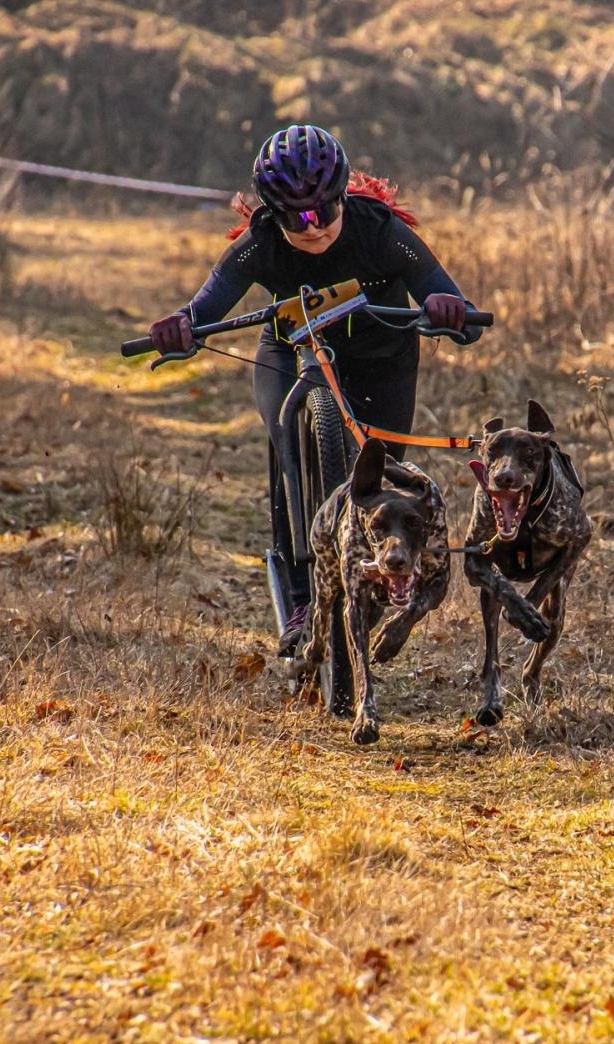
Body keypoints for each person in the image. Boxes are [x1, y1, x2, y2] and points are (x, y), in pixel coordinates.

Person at [147, 123, 482, 656]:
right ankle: (302, 595)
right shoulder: (258, 243)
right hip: (291, 352)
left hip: (382, 357)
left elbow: (444, 293)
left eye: (323, 211)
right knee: (288, 448)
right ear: (268, 212)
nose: (311, 227)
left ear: (343, 194)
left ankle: (375, 580)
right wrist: (180, 326)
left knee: (381, 473)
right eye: (293, 218)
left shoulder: (382, 231)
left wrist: (448, 309)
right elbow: (204, 307)